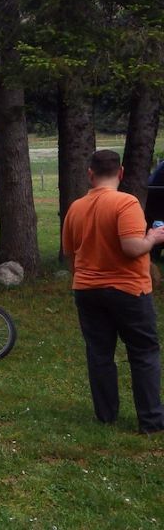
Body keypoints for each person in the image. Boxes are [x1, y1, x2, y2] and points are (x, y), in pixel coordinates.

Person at [62, 150, 164, 434]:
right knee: (143, 352)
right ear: (120, 173)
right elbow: (132, 248)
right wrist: (153, 237)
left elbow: (71, 253)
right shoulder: (126, 203)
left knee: (99, 353)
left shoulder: (76, 208)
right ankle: (152, 420)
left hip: (87, 289)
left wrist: (82, 277)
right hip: (128, 290)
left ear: (90, 174)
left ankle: (106, 415)